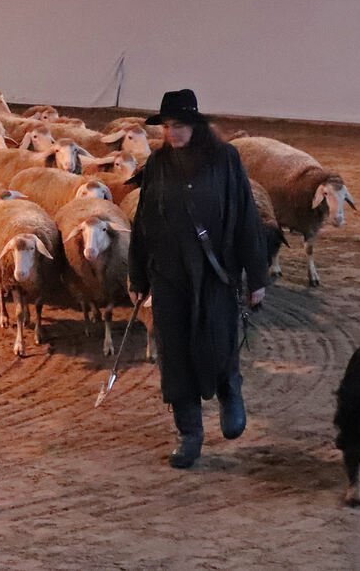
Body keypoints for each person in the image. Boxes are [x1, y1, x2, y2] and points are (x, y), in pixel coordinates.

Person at [128, 89, 269, 469]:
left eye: (180, 125)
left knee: (217, 341)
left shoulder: (225, 160)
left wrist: (257, 276)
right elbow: (144, 222)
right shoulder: (157, 165)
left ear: (196, 126)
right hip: (170, 276)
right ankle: (189, 434)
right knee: (174, 354)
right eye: (169, 126)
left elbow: (244, 218)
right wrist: (137, 274)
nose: (173, 133)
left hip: (214, 274)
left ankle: (229, 391)